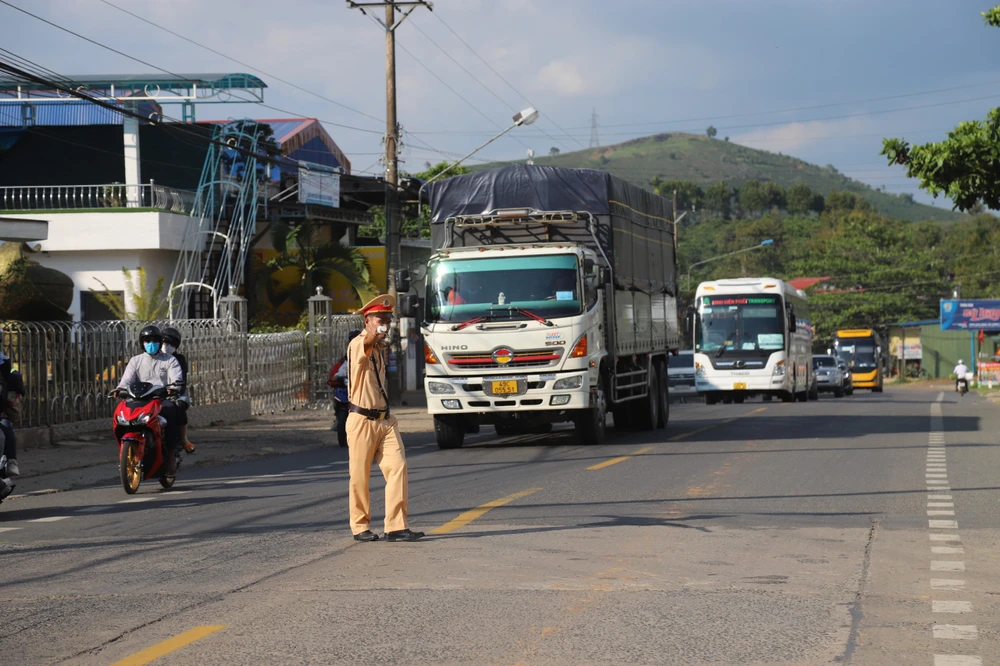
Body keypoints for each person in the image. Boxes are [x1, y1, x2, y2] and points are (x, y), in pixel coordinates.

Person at [346, 295, 423, 542]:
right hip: (362, 420)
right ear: (367, 321)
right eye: (381, 320)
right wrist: (375, 334)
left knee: (398, 467)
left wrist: (380, 335)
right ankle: (360, 526)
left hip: (385, 421)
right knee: (360, 476)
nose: (385, 326)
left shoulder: (380, 348)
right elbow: (367, 342)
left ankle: (396, 526)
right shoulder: (358, 344)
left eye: (388, 321)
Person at [117, 326, 184, 478]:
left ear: (160, 342)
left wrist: (173, 388)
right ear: (142, 343)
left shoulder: (170, 360)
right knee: (123, 413)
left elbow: (176, 379)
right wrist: (119, 389)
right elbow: (126, 380)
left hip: (161, 400)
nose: (151, 344)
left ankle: (171, 454)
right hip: (139, 400)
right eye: (147, 341)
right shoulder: (136, 361)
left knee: (171, 410)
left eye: (155, 341)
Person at [162, 327, 195, 454]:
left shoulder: (179, 359)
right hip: (153, 393)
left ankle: (183, 438)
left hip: (174, 393)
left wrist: (175, 390)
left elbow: (182, 380)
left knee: (180, 405)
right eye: (164, 342)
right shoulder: (152, 357)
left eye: (171, 343)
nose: (167, 345)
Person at [328, 329, 361, 447]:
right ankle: (338, 418)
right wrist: (336, 377)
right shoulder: (347, 357)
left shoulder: (368, 353)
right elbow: (342, 369)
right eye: (352, 340)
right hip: (347, 388)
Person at [0, 332, 25, 479]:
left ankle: (11, 461)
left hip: (1, 406)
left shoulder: (3, 361)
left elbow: (6, 386)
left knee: (6, 424)